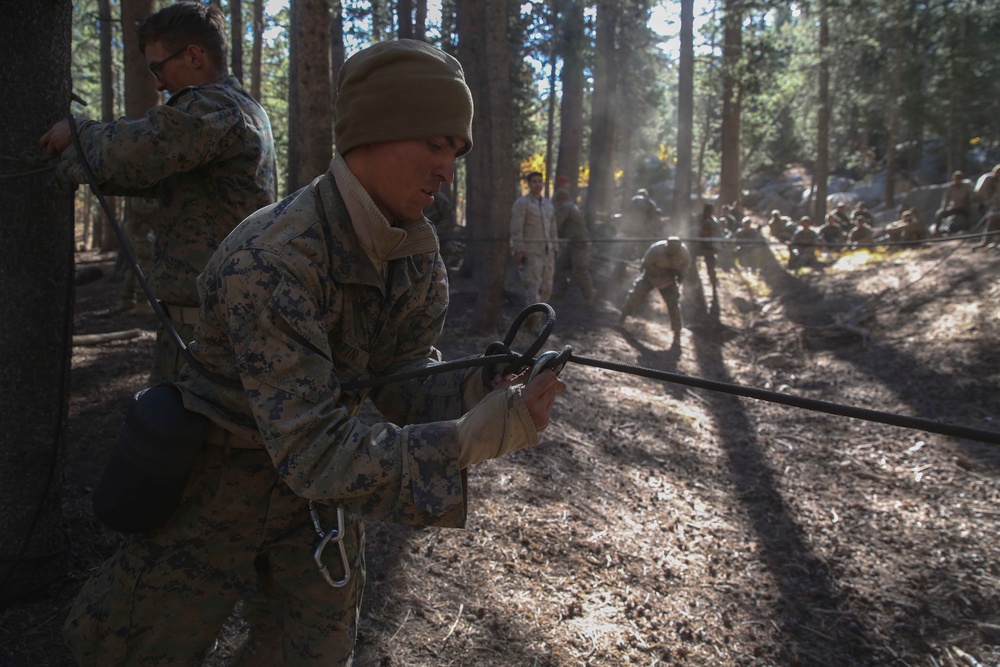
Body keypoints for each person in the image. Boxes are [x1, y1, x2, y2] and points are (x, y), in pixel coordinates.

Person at [62, 39, 567, 666]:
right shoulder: (273, 258)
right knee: (128, 650)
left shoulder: (414, 253)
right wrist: (465, 440)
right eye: (436, 144)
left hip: (319, 506)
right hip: (215, 487)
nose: (448, 169)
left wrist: (485, 391)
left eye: (457, 152)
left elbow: (402, 383)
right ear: (374, 133)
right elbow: (313, 448)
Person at [40, 1, 277, 385]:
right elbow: (140, 174)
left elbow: (139, 149)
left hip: (213, 334)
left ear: (195, 56)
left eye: (158, 67)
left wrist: (79, 136)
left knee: (194, 441)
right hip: (200, 327)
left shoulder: (217, 108)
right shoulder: (226, 112)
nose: (158, 83)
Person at [618, 237, 691, 346]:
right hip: (651, 277)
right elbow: (645, 265)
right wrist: (658, 272)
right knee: (636, 295)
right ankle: (622, 319)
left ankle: (677, 334)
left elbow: (684, 269)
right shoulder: (656, 249)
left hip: (669, 281)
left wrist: (679, 279)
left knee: (674, 304)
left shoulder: (684, 253)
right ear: (667, 247)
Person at [510, 171, 558, 323]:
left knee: (547, 288)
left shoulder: (548, 204)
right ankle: (533, 323)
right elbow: (516, 228)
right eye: (534, 181)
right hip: (531, 253)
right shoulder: (522, 203)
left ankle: (541, 319)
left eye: (540, 181)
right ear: (529, 184)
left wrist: (555, 247)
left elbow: (553, 228)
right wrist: (518, 249)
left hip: (547, 253)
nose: (538, 184)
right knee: (532, 288)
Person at [551, 188, 595, 306]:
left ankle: (588, 298)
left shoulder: (567, 208)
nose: (557, 204)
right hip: (571, 243)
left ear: (561, 200)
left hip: (579, 244)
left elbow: (555, 223)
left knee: (580, 271)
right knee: (559, 266)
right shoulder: (571, 206)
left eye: (557, 202)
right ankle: (562, 290)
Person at [934, 170, 975, 235]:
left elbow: (971, 196)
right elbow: (946, 199)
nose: (957, 181)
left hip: (964, 206)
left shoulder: (966, 187)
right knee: (939, 213)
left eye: (959, 179)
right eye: (956, 179)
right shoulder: (950, 188)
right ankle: (937, 231)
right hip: (954, 207)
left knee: (973, 211)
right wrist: (943, 208)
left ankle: (972, 227)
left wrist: (969, 201)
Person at [693, 203, 720, 298]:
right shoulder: (696, 220)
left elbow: (718, 237)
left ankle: (714, 288)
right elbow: (690, 232)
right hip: (696, 247)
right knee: (691, 267)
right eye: (707, 213)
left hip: (709, 248)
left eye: (710, 213)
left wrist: (716, 248)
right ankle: (694, 287)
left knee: (711, 270)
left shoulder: (715, 223)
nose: (708, 215)